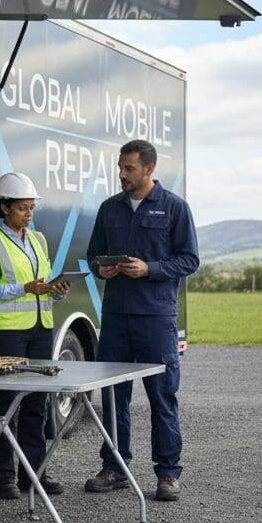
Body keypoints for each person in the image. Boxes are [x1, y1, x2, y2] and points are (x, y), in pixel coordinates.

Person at [83, 139, 199, 502]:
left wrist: (150, 269)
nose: (122, 174)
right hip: (116, 317)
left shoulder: (174, 208)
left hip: (155, 317)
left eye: (129, 168)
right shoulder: (108, 209)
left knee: (162, 396)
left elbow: (189, 260)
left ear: (148, 169)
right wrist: (102, 267)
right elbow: (92, 256)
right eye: (120, 167)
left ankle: (167, 474)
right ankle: (115, 467)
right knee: (114, 397)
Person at [0, 171, 71, 500]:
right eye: (22, 208)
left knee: (36, 405)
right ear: (3, 208)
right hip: (8, 335)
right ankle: (2, 478)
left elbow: (43, 287)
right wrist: (25, 288)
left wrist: (56, 291)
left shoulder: (39, 240)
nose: (29, 214)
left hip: (41, 329)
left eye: (31, 208)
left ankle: (34, 474)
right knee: (3, 407)